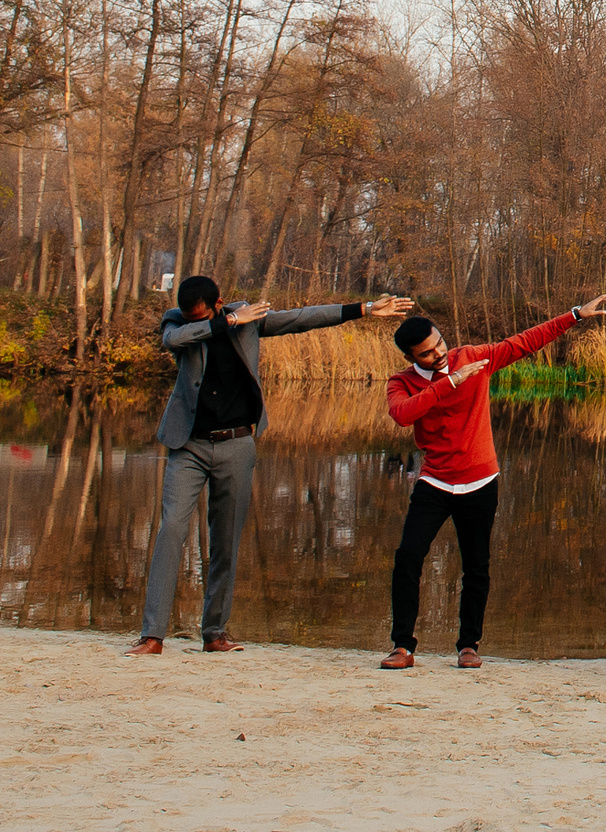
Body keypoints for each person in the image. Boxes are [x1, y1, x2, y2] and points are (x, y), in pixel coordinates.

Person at [127, 276, 414, 656]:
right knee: (171, 530)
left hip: (236, 445)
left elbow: (301, 319)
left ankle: (214, 633)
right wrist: (227, 322)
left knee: (226, 539)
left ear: (219, 302)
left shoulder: (251, 320)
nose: (191, 319)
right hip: (188, 446)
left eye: (203, 314)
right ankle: (153, 636)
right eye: (188, 315)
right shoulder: (176, 322)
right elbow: (174, 341)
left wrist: (363, 309)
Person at [379, 293, 606, 669]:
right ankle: (403, 646)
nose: (438, 354)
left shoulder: (472, 357)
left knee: (477, 565)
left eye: (439, 344)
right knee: (408, 557)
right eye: (426, 353)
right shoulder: (402, 383)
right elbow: (403, 415)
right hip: (435, 482)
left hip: (479, 480)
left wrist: (574, 315)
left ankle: (468, 645)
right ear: (410, 358)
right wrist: (450, 382)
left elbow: (523, 342)